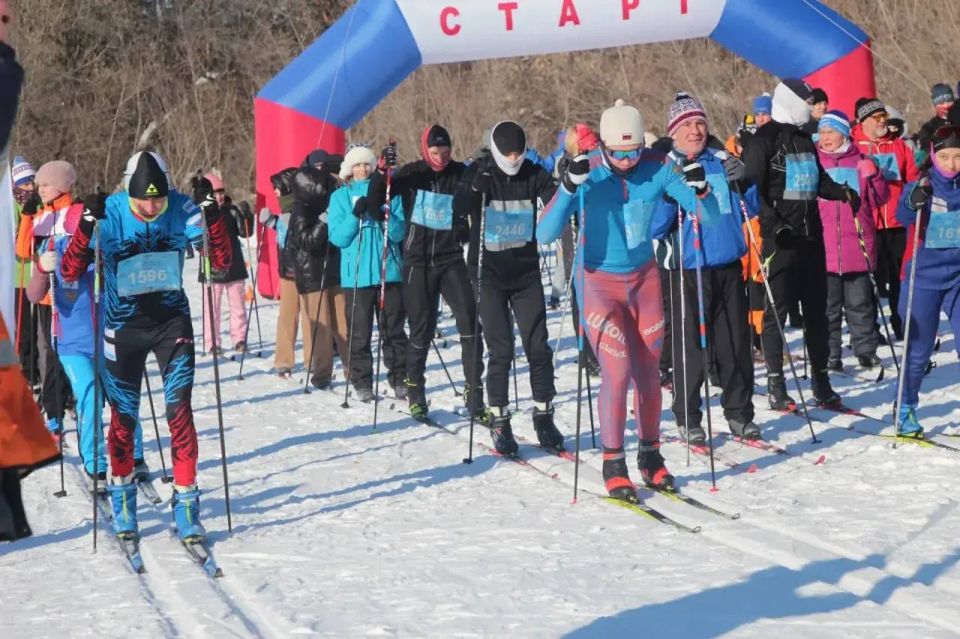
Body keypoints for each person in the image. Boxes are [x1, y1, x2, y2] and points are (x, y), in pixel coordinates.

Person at [537, 99, 721, 499]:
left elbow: (710, 219)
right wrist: (569, 186)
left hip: (644, 282)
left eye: (634, 151)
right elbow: (544, 234)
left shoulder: (657, 168)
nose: (625, 160)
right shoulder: (590, 171)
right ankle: (613, 461)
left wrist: (701, 188)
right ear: (603, 145)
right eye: (618, 153)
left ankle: (651, 457)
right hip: (598, 284)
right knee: (617, 373)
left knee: (650, 376)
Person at [61, 151, 230, 542]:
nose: (152, 208)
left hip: (171, 323)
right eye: (144, 202)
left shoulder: (181, 208)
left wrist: (213, 216)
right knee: (124, 417)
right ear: (128, 193)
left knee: (180, 411)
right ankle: (123, 498)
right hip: (123, 327)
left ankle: (187, 503)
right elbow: (69, 273)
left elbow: (220, 262)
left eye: (159, 200)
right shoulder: (113, 212)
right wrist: (87, 224)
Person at [743, 79, 859, 411]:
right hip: (780, 241)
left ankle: (821, 381)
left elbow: (817, 179)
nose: (810, 107)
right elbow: (752, 192)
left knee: (817, 312)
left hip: (811, 238)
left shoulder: (804, 140)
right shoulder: (762, 141)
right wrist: (774, 224)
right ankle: (777, 382)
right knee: (777, 313)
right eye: (805, 102)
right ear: (790, 102)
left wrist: (841, 192)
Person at [652, 92, 759, 442]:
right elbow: (653, 226)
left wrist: (745, 180)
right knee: (691, 348)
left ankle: (740, 412)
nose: (695, 131)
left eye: (700, 123)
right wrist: (671, 196)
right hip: (688, 268)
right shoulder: (664, 167)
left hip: (728, 263)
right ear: (673, 131)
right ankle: (688, 415)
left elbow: (751, 207)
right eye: (687, 126)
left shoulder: (721, 159)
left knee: (734, 345)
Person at [454, 120, 565, 455]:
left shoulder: (532, 172)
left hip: (526, 273)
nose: (514, 159)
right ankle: (500, 420)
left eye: (519, 152)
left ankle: (544, 414)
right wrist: (474, 188)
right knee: (501, 348)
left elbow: (555, 200)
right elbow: (457, 209)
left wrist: (570, 186)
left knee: (538, 346)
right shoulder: (480, 170)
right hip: (488, 274)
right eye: (509, 154)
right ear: (498, 151)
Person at [368, 125, 484, 420]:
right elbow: (373, 204)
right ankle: (415, 388)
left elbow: (479, 186)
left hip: (450, 259)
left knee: (470, 323)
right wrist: (382, 172)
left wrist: (485, 167)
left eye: (446, 152)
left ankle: (475, 390)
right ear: (424, 149)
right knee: (422, 327)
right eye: (435, 152)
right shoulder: (413, 174)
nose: (441, 158)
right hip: (417, 262)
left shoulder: (459, 172)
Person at [27, 204, 145, 480]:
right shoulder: (57, 249)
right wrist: (43, 269)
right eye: (85, 229)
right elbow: (34, 295)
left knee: (123, 397)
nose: (91, 236)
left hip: (111, 340)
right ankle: (94, 464)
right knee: (91, 397)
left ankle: (134, 455)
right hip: (73, 346)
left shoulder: (109, 252)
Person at [894, 124, 960, 436]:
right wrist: (913, 201)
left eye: (958, 156)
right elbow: (903, 215)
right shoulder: (922, 183)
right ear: (933, 156)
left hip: (958, 277)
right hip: (923, 278)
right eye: (945, 156)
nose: (951, 164)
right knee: (919, 352)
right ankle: (905, 407)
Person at [329, 144, 408, 402]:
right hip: (356, 277)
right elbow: (338, 238)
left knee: (393, 330)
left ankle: (399, 377)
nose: (362, 169)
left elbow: (399, 234)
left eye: (367, 164)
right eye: (357, 165)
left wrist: (384, 215)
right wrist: (355, 215)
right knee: (360, 333)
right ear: (349, 170)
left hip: (389, 273)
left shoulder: (388, 192)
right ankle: (362, 381)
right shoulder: (340, 197)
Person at [815, 111, 890, 371]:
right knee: (829, 308)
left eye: (830, 132)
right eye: (822, 132)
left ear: (843, 134)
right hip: (823, 246)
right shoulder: (814, 163)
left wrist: (875, 176)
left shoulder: (860, 161)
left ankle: (866, 350)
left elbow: (881, 198)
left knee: (860, 304)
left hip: (856, 244)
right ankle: (830, 354)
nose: (825, 138)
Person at [851, 96, 920, 341]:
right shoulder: (853, 146)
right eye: (877, 118)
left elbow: (912, 177)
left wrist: (914, 195)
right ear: (864, 121)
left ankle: (901, 323)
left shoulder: (899, 145)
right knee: (869, 279)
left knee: (900, 276)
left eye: (884, 117)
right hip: (868, 222)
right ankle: (870, 329)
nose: (883, 122)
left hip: (897, 221)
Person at [18, 161, 78, 435]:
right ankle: (54, 411)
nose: (39, 190)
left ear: (62, 186)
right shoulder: (41, 215)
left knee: (72, 353)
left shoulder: (75, 213)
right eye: (38, 185)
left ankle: (72, 398)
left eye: (44, 185)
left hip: (72, 298)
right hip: (45, 299)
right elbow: (23, 251)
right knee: (52, 356)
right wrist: (28, 218)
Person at [286, 161, 350, 390]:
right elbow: (308, 241)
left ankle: (354, 368)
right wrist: (324, 221)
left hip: (332, 269)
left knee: (344, 322)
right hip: (312, 275)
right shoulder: (300, 209)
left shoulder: (326, 199)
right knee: (321, 327)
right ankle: (322, 373)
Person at [198, 172, 253, 355]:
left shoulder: (231, 210)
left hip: (234, 266)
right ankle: (212, 342)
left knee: (238, 307)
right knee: (212, 310)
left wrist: (247, 217)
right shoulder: (202, 213)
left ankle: (239, 339)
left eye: (222, 192)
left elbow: (245, 233)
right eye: (215, 193)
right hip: (212, 268)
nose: (220, 196)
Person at [268, 167, 301, 378]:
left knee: (311, 316)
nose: (275, 192)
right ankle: (283, 361)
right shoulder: (284, 211)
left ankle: (317, 360)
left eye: (278, 188)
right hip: (287, 271)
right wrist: (272, 222)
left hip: (305, 271)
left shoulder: (299, 208)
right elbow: (283, 238)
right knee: (287, 317)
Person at [11, 155, 39, 379]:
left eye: (32, 182)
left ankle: (38, 369)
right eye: (25, 183)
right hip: (17, 277)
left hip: (38, 276)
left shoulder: (39, 203)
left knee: (41, 330)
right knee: (25, 330)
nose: (31, 187)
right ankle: (28, 371)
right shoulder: (10, 207)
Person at [916, 84, 955, 152]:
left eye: (949, 101)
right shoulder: (928, 127)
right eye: (942, 103)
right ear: (935, 104)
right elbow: (925, 147)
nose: (946, 105)